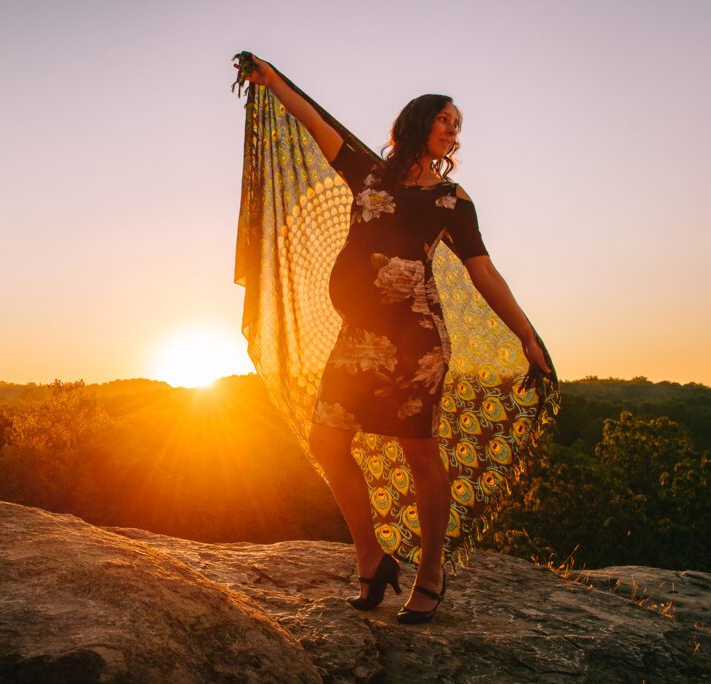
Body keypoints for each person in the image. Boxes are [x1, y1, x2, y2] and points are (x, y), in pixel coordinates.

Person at [234, 53, 556, 624]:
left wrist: (527, 335)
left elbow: (484, 271)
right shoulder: (369, 173)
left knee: (419, 452)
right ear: (418, 123)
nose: (454, 129)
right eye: (445, 119)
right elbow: (317, 122)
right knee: (328, 441)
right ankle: (372, 556)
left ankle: (431, 573)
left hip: (416, 340)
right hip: (358, 336)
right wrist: (273, 78)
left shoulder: (451, 201)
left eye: (458, 124)